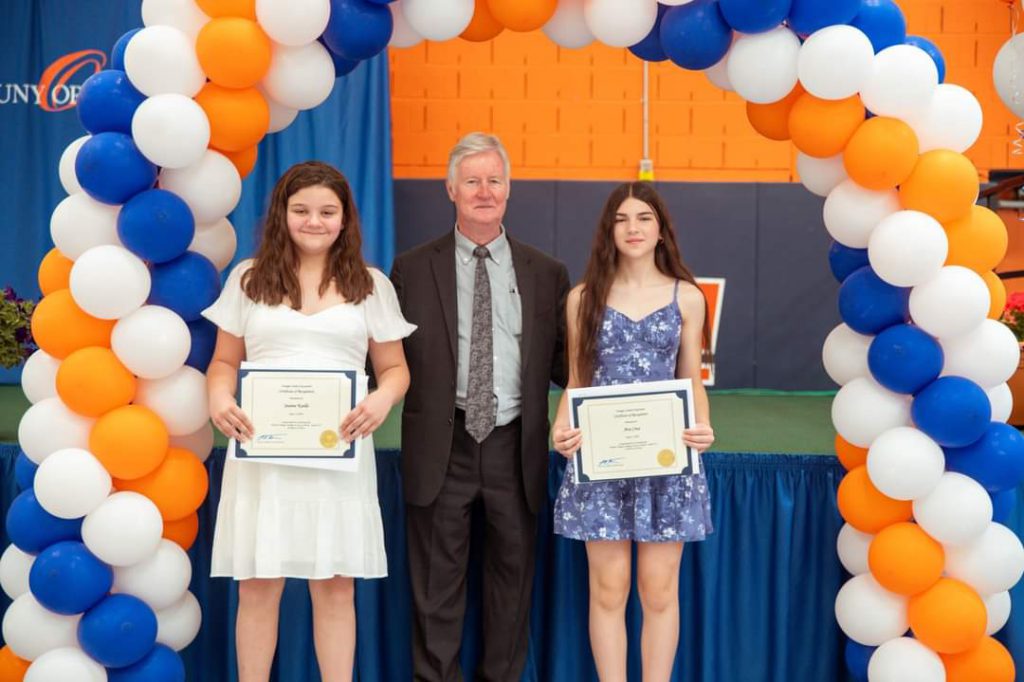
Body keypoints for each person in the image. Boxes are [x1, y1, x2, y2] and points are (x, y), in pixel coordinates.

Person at [203, 161, 415, 682]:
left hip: (337, 458)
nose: (314, 221)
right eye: (301, 210)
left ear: (345, 220)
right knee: (258, 585)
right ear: (282, 214)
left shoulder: (371, 285)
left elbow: (394, 370)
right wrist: (217, 398)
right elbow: (223, 362)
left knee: (336, 585)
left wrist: (382, 400)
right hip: (262, 454)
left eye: (326, 211)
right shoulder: (248, 279)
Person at [390, 132, 570, 682]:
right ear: (451, 189)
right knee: (435, 588)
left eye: (494, 180)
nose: (484, 191)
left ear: (509, 188)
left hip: (516, 447)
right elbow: (384, 358)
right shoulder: (411, 269)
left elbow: (570, 367)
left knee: (510, 588)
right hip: (443, 446)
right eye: (472, 181)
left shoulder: (547, 272)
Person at [551, 181, 715, 682]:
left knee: (660, 589)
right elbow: (578, 379)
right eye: (621, 219)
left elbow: (691, 378)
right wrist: (562, 426)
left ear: (661, 229)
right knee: (608, 588)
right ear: (609, 231)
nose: (633, 228)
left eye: (643, 218)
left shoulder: (686, 297)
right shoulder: (583, 298)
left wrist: (702, 425)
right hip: (602, 459)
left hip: (667, 461)